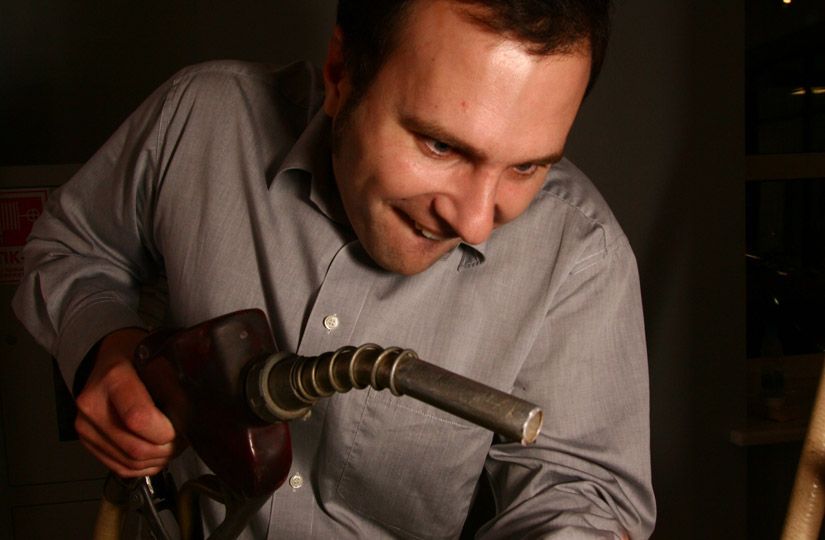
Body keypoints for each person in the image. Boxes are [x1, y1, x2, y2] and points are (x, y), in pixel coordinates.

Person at [13, 0, 656, 537]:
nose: (477, 223)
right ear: (342, 71)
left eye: (526, 166)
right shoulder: (200, 118)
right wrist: (105, 346)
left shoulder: (580, 255)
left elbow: (584, 494)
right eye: (440, 145)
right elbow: (71, 246)